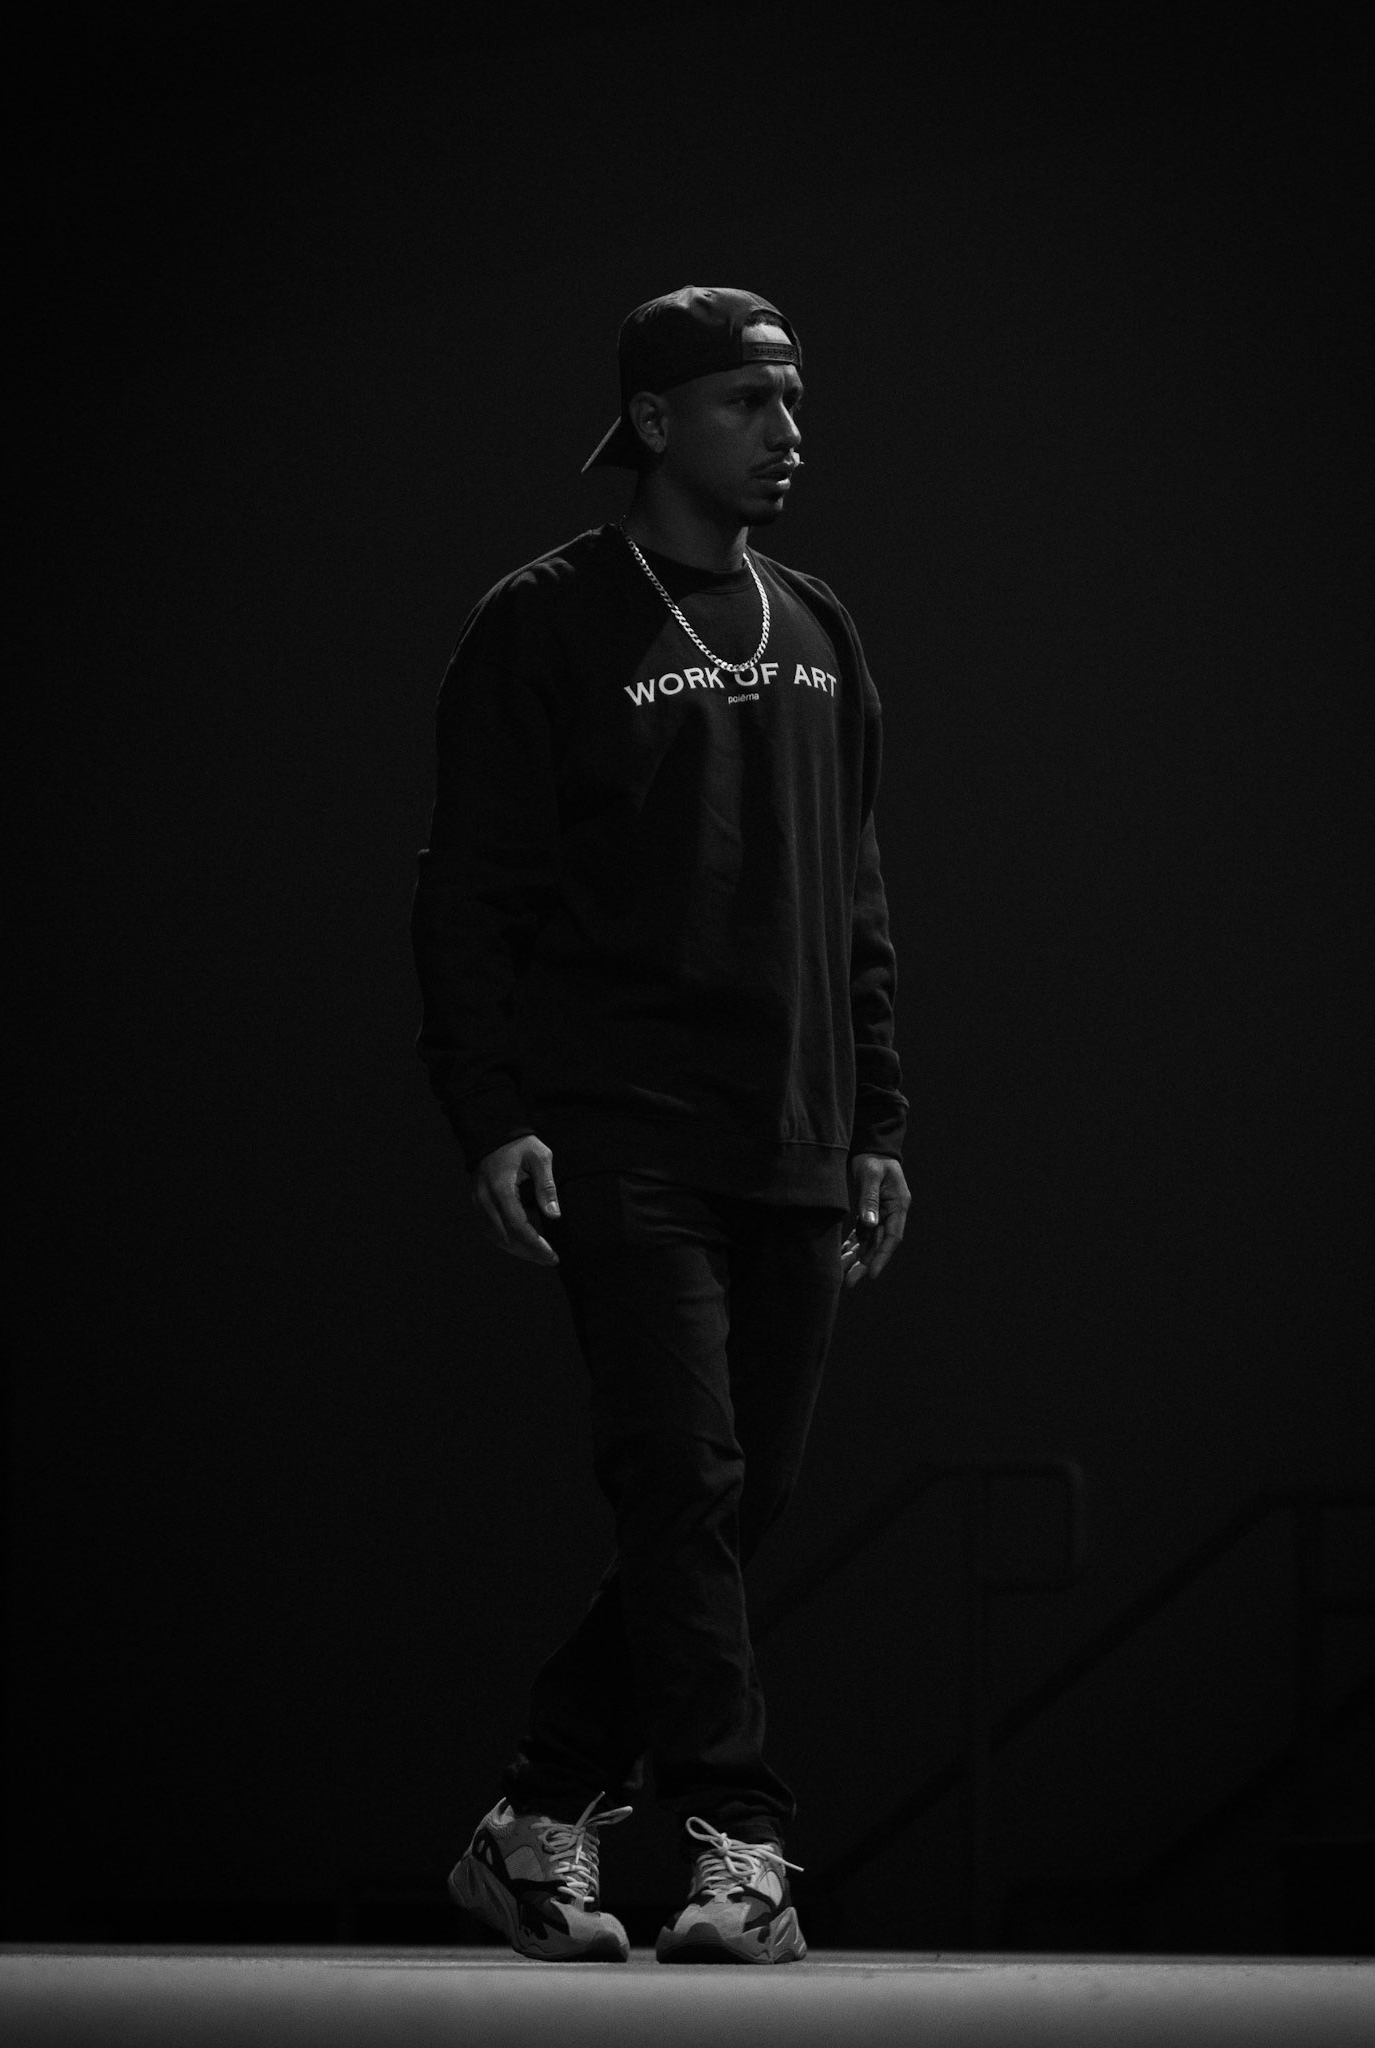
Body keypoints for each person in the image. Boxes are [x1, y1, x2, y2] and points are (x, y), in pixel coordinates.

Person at [410, 285, 912, 1965]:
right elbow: (468, 892)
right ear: (650, 422)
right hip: (621, 1128)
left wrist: (877, 1117)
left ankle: (537, 1808)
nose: (786, 431)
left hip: (796, 1132)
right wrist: (490, 1113)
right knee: (680, 1479)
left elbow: (854, 890)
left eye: (793, 400)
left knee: (736, 1499)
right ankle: (738, 1835)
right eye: (747, 402)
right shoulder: (544, 621)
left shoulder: (817, 623)